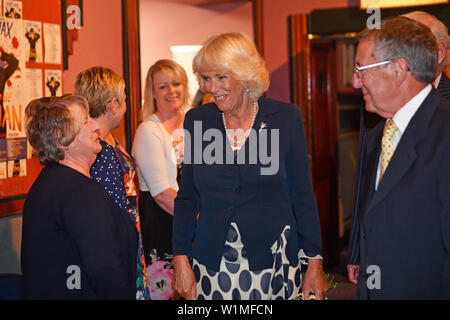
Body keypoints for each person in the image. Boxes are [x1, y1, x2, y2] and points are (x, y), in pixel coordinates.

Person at [172, 32, 329, 300]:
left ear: (244, 74)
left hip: (272, 260)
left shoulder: (284, 119)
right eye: (206, 79)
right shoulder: (198, 121)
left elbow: (302, 195)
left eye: (221, 77)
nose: (212, 88)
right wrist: (180, 259)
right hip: (212, 264)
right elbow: (187, 198)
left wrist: (314, 263)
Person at [348, 16, 450, 299]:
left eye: (360, 69)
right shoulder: (381, 129)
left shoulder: (444, 133)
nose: (355, 81)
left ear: (398, 70)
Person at [21, 95, 137, 299]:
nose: (95, 126)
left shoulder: (46, 183)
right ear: (63, 141)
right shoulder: (81, 193)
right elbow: (104, 272)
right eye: (85, 122)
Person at [74, 67, 150, 300]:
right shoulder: (100, 152)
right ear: (112, 105)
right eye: (125, 98)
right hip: (119, 249)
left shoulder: (105, 140)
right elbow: (113, 213)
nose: (127, 106)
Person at [132, 59, 189, 299]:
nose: (171, 91)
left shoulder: (195, 123)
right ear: (152, 92)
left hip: (190, 222)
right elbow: (163, 195)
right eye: (163, 86)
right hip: (164, 224)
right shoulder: (148, 130)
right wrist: (202, 220)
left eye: (176, 83)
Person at [0, 48, 19, 137]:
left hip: (1, 116)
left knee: (2, 148)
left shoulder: (2, 73)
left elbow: (14, 63)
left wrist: (1, 54)